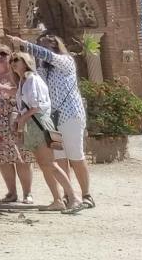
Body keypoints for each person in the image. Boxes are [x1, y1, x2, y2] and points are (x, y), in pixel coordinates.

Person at [12, 32, 94, 209]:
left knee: (76, 156)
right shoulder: (42, 71)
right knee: (59, 156)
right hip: (51, 120)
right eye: (40, 44)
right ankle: (68, 196)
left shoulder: (66, 62)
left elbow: (46, 55)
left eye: (46, 45)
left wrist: (24, 44)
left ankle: (87, 195)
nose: (42, 49)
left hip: (70, 116)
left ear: (55, 46)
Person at [0, 43, 33, 204]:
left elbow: (25, 92)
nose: (0, 57)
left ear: (10, 56)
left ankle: (27, 193)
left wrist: (4, 88)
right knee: (2, 158)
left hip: (14, 119)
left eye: (4, 53)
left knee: (21, 157)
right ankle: (11, 193)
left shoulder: (16, 74)